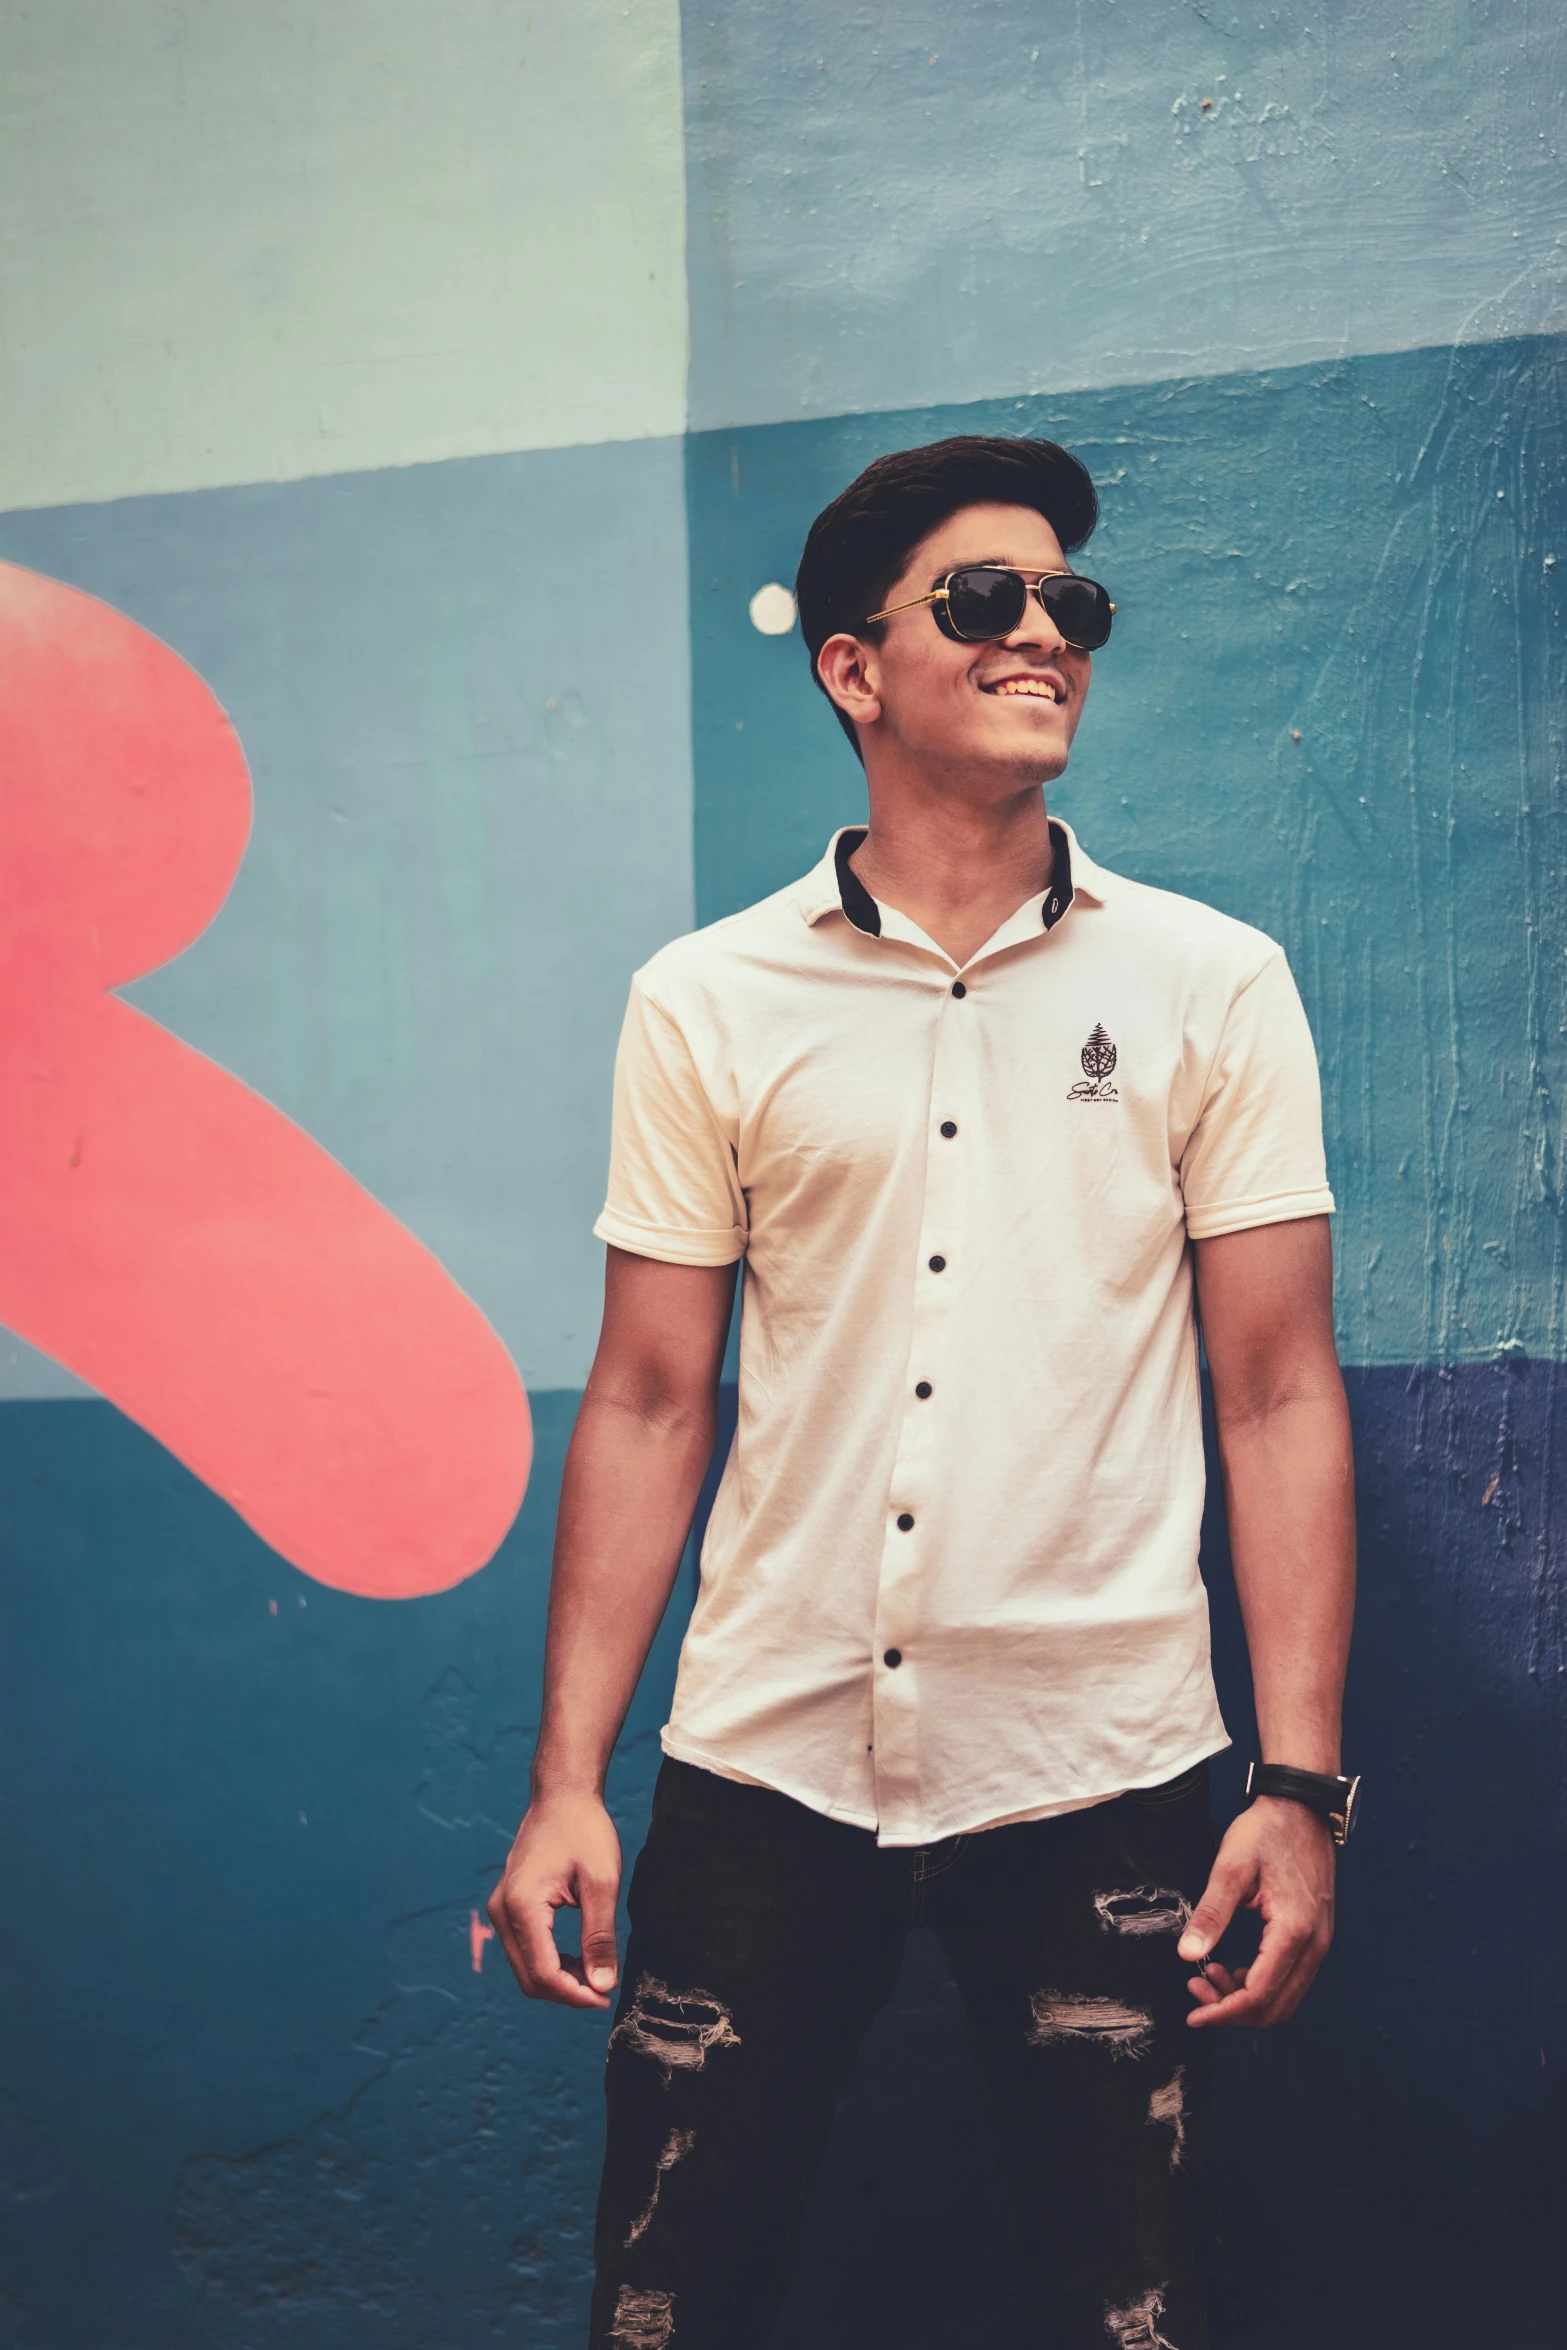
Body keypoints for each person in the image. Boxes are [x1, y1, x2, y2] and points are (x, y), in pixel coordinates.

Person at [488, 436, 1358, 2350]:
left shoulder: (1214, 985)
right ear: (853, 669)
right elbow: (646, 1398)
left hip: (1102, 1767)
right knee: (666, 2297)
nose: (1044, 632)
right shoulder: (707, 1002)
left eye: (1074, 605)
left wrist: (1298, 1784)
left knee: (1127, 2305)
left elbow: (1278, 1391)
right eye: (984, 599)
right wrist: (570, 1777)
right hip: (764, 1760)